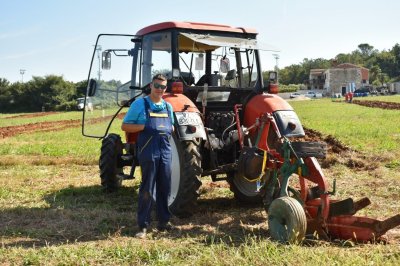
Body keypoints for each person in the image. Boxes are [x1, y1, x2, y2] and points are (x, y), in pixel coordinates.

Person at [121, 74, 174, 239]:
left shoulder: (168, 106)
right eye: (157, 86)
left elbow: (171, 126)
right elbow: (125, 126)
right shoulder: (140, 104)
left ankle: (164, 221)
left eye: (163, 87)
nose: (159, 89)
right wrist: (143, 126)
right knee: (147, 188)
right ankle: (143, 225)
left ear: (166, 89)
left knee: (165, 186)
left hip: (165, 150)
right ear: (151, 85)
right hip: (148, 150)